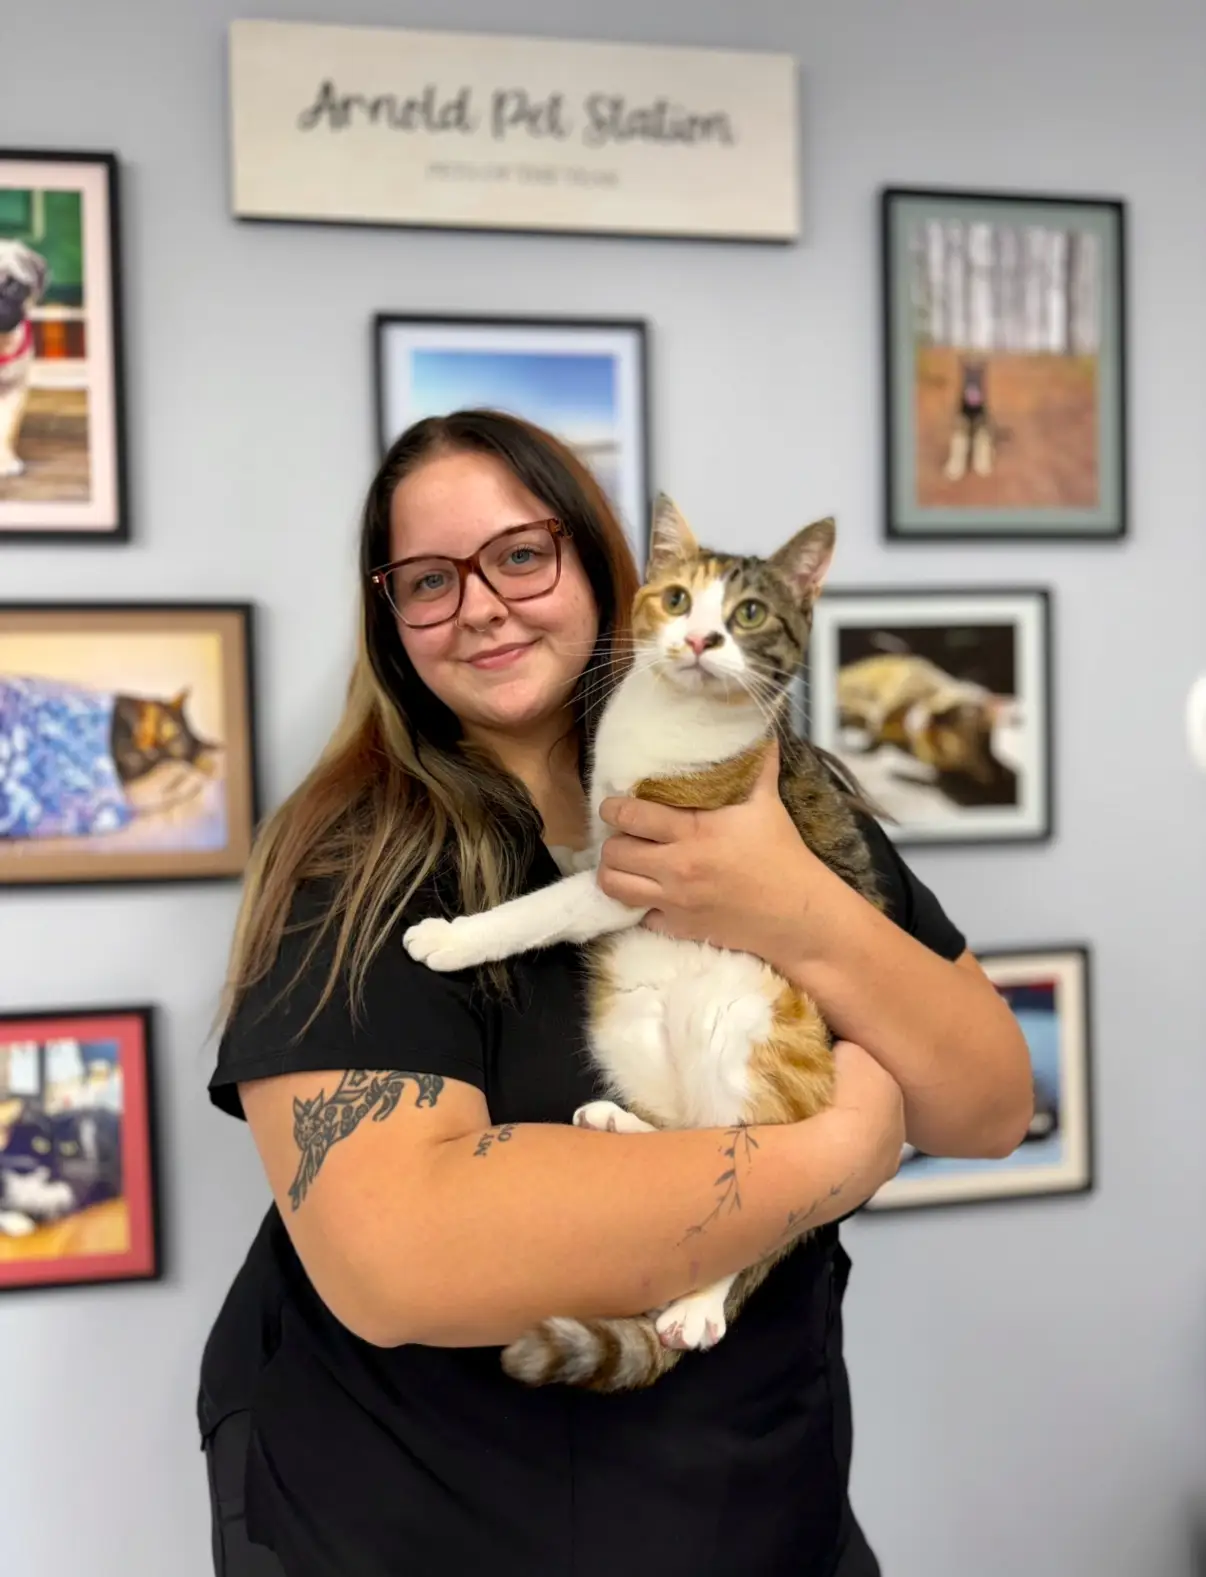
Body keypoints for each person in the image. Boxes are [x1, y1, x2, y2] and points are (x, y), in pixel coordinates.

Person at [198, 409, 1033, 1577]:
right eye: (430, 579)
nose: (482, 603)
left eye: (522, 555)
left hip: (761, 1510)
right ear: (391, 618)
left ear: (602, 565)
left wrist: (790, 903)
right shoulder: (357, 863)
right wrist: (839, 1147)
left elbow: (989, 1103)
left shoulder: (775, 786)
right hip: (424, 1527)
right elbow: (400, 1259)